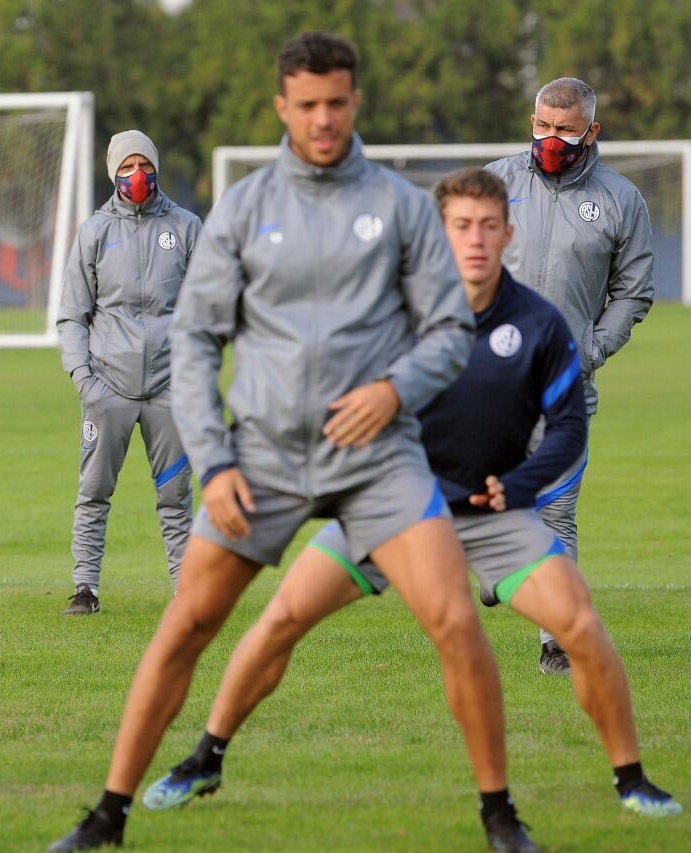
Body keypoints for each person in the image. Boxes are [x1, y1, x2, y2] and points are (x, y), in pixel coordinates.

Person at [50, 33, 533, 852]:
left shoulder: (402, 207)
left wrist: (391, 391)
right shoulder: (243, 210)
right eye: (305, 104)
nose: (321, 118)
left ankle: (499, 815)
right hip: (265, 458)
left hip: (379, 458)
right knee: (186, 625)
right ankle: (107, 814)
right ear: (283, 106)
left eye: (336, 102)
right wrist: (215, 460)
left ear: (354, 103)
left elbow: (451, 330)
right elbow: (199, 341)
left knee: (456, 618)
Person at [142, 169, 681, 839]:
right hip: (390, 509)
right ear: (438, 233)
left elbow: (569, 426)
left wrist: (518, 485)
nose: (476, 240)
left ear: (508, 234)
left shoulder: (540, 325)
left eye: (489, 226)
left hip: (490, 515)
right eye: (461, 226)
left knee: (578, 622)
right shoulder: (392, 314)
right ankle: (204, 757)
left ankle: (629, 779)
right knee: (281, 616)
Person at [485, 78, 655, 675]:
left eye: (564, 130)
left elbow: (634, 291)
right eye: (541, 126)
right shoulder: (494, 183)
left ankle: (554, 640)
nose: (550, 140)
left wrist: (590, 351)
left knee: (556, 511)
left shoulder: (620, 200)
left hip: (565, 384)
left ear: (591, 131)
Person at [56, 130, 202, 614]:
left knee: (177, 497)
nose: (136, 175)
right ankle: (85, 588)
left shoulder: (185, 228)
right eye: (126, 166)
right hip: (108, 388)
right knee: (94, 492)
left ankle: (187, 592)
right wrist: (84, 379)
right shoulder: (94, 232)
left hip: (169, 389)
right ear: (113, 172)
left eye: (144, 164)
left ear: (156, 168)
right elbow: (72, 316)